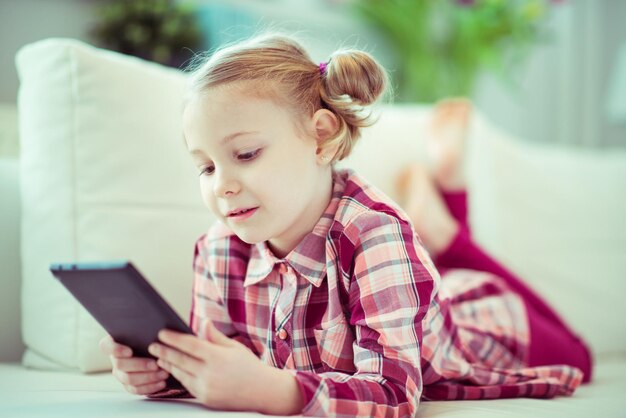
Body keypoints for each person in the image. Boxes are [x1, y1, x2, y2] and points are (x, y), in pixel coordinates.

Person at [99, 33, 592, 417]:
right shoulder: (218, 249)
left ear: (321, 137)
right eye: (206, 167)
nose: (221, 186)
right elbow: (227, 366)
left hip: (483, 322)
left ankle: (448, 228)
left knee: (580, 354)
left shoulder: (376, 233)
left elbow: (394, 393)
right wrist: (166, 373)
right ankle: (439, 230)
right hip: (413, 290)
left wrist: (275, 390)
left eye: (245, 154)